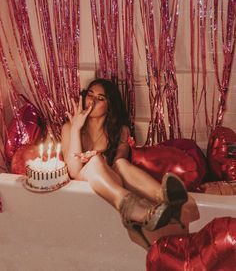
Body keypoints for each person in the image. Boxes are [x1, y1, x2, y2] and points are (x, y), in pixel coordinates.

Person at [61, 78, 188, 248]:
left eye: (100, 98)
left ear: (109, 105)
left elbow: (119, 165)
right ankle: (132, 207)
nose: (92, 101)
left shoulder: (120, 130)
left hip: (110, 183)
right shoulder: (69, 127)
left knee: (120, 164)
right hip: (83, 188)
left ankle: (165, 198)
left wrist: (101, 159)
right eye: (89, 95)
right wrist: (77, 129)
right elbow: (74, 172)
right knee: (96, 161)